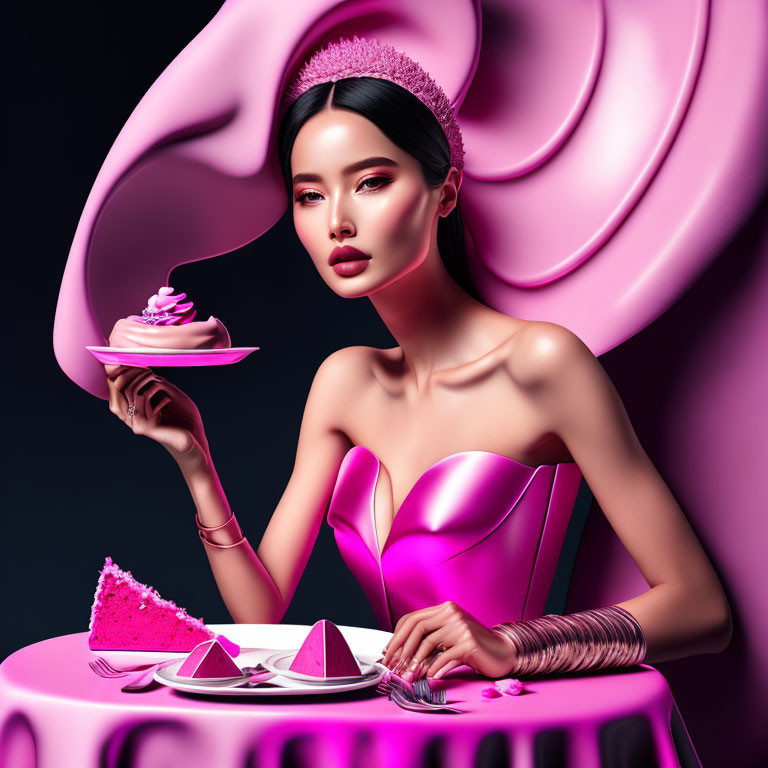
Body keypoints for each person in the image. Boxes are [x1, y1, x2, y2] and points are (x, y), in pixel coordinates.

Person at [103, 37, 731, 684]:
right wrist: (195, 459)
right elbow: (260, 613)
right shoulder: (346, 382)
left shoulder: (543, 364)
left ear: (446, 191)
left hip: (508, 731)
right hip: (392, 729)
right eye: (310, 195)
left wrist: (511, 644)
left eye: (372, 182)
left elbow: (701, 609)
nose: (338, 221)